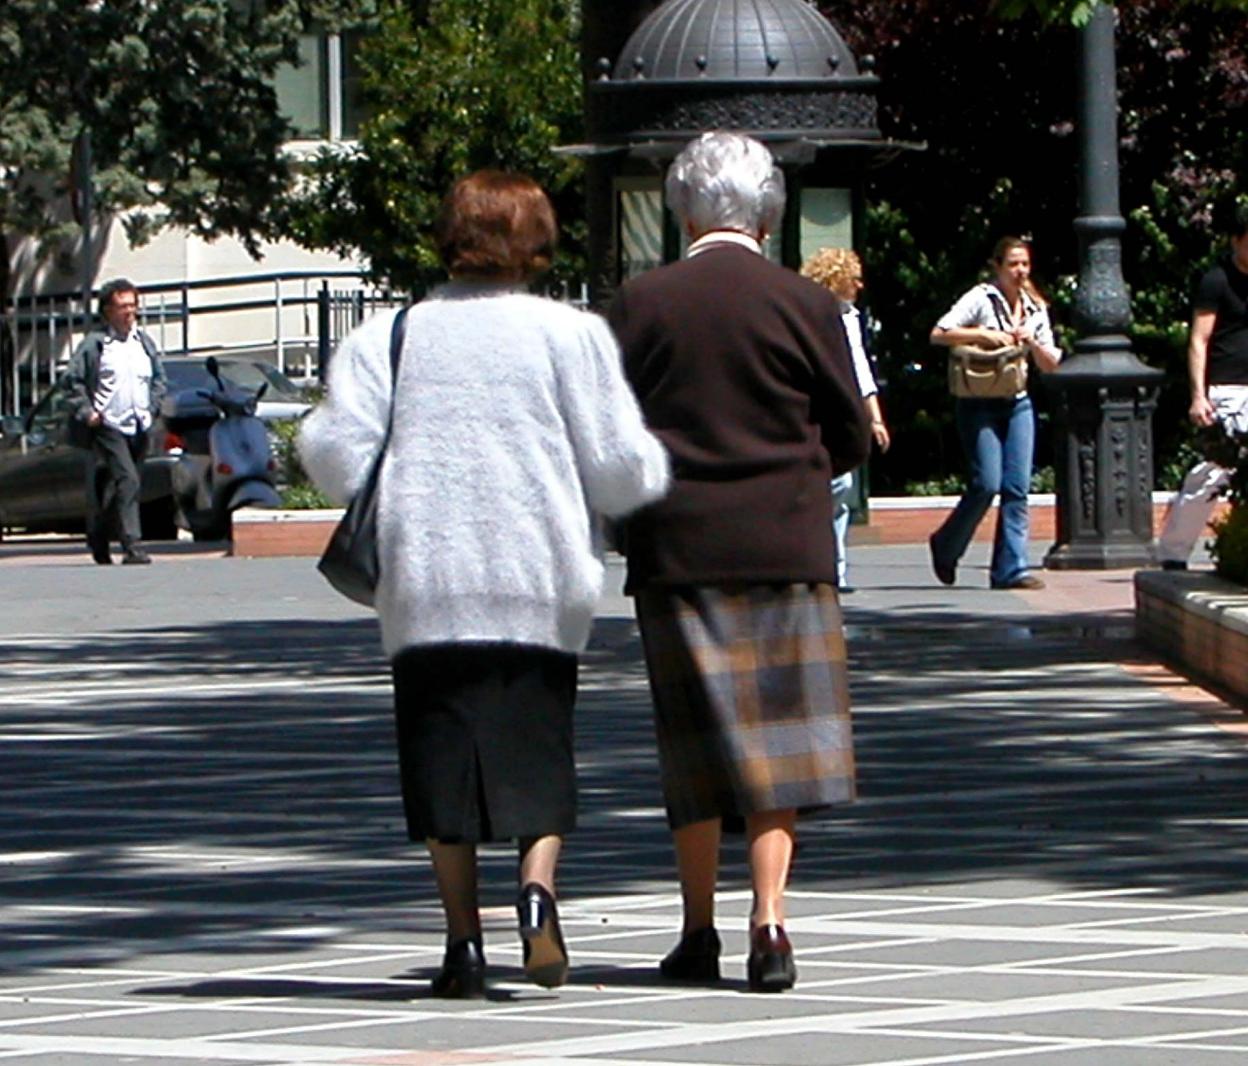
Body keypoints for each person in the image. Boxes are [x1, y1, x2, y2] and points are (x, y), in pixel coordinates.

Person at [298, 171, 669, 999]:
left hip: (430, 576)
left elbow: (334, 456)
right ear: (536, 242)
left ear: (451, 237)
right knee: (540, 746)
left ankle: (462, 943)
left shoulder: (392, 334)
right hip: (539, 574)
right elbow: (618, 464)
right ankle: (537, 894)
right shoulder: (567, 334)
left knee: (439, 757)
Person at [607, 132, 870, 993]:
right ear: (768, 210)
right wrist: (797, 477)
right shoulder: (806, 302)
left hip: (677, 544)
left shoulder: (640, 301)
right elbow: (850, 431)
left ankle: (696, 930)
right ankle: (771, 922)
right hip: (786, 542)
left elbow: (613, 431)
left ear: (684, 208)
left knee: (694, 747)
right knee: (780, 742)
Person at [927, 237, 1062, 590]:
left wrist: (1030, 342)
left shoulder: (1036, 308)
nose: (1020, 272)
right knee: (986, 483)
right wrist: (987, 335)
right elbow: (939, 334)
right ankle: (946, 544)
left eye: (1025, 265)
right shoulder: (980, 299)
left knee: (1017, 487)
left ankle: (1010, 569)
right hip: (977, 402)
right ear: (998, 267)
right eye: (1013, 264)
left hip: (1017, 402)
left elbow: (1051, 365)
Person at [1157, 204, 1248, 570]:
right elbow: (1199, 339)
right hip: (1228, 388)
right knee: (1215, 470)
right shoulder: (1217, 281)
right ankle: (1174, 552)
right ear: (1236, 241)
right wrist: (1199, 394)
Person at [800, 247, 891, 593]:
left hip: (842, 407)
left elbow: (860, 369)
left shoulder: (850, 317)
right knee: (834, 485)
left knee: (843, 485)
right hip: (816, 407)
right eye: (852, 277)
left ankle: (834, 568)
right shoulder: (811, 314)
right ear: (836, 279)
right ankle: (820, 561)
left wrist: (875, 418)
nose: (859, 284)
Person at [66, 278, 167, 565]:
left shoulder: (143, 343)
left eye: (133, 305)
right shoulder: (96, 345)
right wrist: (88, 412)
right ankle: (132, 545)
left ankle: (99, 534)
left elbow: (159, 380)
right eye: (122, 306)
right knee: (128, 479)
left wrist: (154, 406)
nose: (129, 311)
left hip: (140, 423)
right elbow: (72, 381)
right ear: (108, 310)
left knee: (125, 485)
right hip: (108, 425)